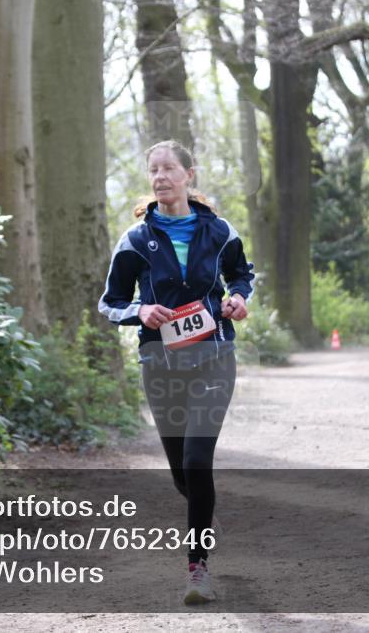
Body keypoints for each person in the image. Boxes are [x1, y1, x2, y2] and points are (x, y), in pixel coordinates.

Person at [99, 140, 254, 605]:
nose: (161, 176)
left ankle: (197, 568)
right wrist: (139, 311)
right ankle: (202, 514)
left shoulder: (220, 230)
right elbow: (111, 302)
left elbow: (241, 275)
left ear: (189, 175)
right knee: (181, 475)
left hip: (213, 356)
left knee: (196, 460)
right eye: (154, 170)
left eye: (169, 168)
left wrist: (239, 299)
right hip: (160, 364)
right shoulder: (134, 240)